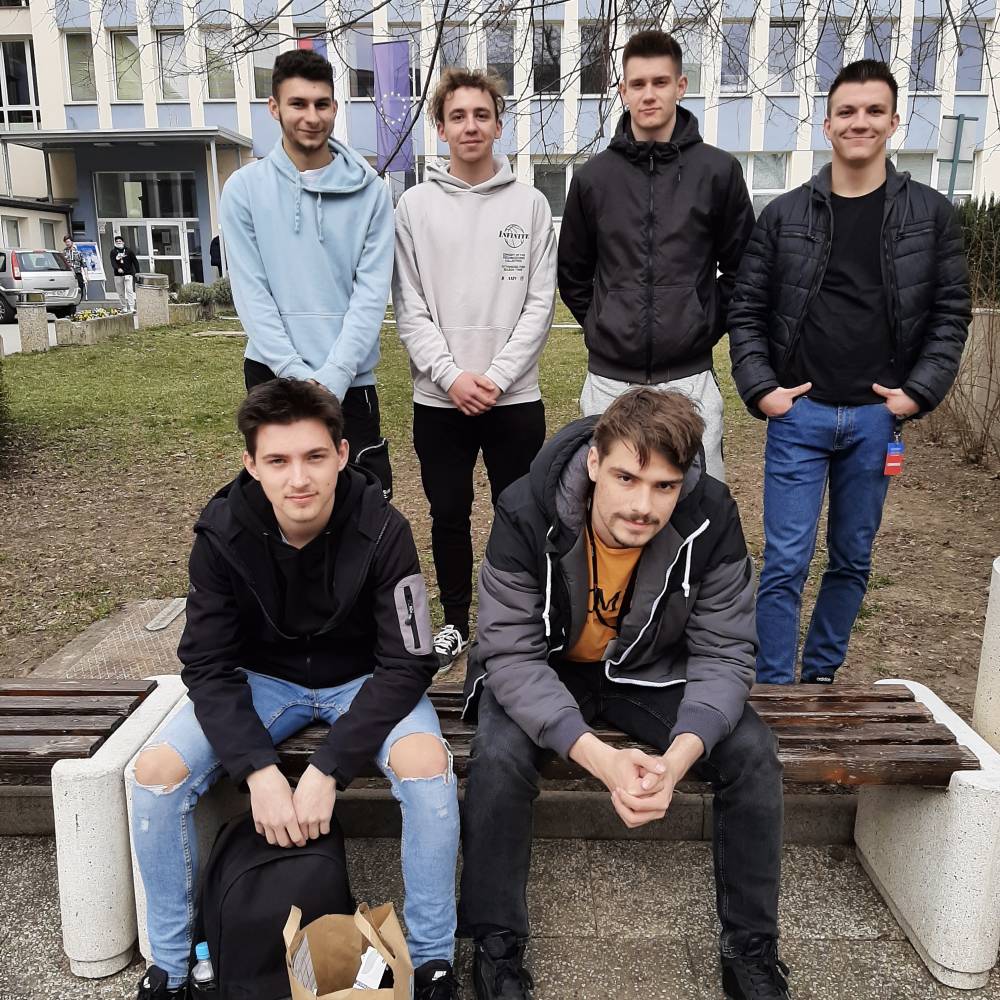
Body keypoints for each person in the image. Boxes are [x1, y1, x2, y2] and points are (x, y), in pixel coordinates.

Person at [128, 379, 460, 1000]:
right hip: (262, 681)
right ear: (251, 464)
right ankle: (170, 970)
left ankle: (433, 961)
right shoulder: (221, 532)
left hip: (366, 679)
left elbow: (409, 660)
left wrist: (328, 768)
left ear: (342, 454)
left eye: (314, 457)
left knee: (428, 767)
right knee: (153, 776)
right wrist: (258, 770)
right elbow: (206, 664)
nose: (298, 479)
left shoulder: (385, 528)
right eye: (278, 461)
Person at [458, 387, 788, 1000]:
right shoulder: (526, 510)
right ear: (593, 462)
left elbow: (724, 653)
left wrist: (678, 758)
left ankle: (751, 950)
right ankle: (495, 945)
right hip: (547, 667)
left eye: (664, 486)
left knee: (751, 752)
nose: (643, 505)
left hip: (646, 669)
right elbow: (511, 652)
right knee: (498, 757)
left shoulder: (712, 518)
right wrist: (602, 760)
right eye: (626, 478)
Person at [728, 59, 971, 685]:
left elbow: (950, 313)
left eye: (872, 111)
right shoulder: (784, 216)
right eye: (846, 111)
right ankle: (774, 687)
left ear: (894, 121)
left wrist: (918, 394)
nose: (859, 122)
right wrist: (763, 390)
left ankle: (820, 677)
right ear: (827, 123)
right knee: (785, 561)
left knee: (852, 559)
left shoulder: (930, 215)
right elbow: (747, 308)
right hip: (799, 417)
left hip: (876, 421)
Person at [393, 68, 556, 670]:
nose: (470, 126)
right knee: (449, 515)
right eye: (457, 116)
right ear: (440, 127)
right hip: (441, 401)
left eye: (481, 115)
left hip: (514, 400)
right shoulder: (414, 206)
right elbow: (409, 305)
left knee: (522, 514)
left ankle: (518, 620)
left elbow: (540, 304)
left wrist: (498, 376)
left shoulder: (530, 204)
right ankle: (456, 622)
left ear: (498, 123)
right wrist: (451, 377)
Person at [557, 30, 755, 482]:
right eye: (638, 84)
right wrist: (604, 322)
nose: (649, 94)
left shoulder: (718, 172)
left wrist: (704, 320)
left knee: (700, 501)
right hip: (609, 382)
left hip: (689, 378)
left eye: (660, 82)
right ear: (622, 91)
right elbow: (573, 273)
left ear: (681, 86)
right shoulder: (593, 179)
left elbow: (744, 267)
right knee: (612, 501)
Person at [221, 49, 393, 497]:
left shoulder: (372, 193)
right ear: (274, 108)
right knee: (283, 501)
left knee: (360, 504)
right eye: (298, 104)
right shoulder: (243, 190)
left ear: (335, 107)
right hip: (271, 373)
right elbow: (251, 292)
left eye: (322, 104)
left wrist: (333, 376)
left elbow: (371, 294)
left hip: (351, 380)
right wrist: (295, 374)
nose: (312, 117)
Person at [109, 234, 139, 312]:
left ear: (123, 242)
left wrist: (137, 272)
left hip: (128, 273)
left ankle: (132, 307)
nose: (118, 242)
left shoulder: (129, 251)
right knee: (121, 292)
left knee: (129, 290)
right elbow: (113, 262)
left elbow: (135, 261)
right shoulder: (113, 252)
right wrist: (117, 268)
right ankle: (124, 307)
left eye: (120, 241)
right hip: (118, 275)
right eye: (117, 241)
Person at [62, 234, 86, 302]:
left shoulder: (78, 251)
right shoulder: (64, 252)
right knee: (70, 288)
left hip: (77, 272)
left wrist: (86, 275)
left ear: (72, 242)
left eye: (68, 242)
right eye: (66, 242)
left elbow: (84, 264)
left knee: (80, 286)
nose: (67, 243)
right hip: (69, 274)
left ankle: (79, 300)